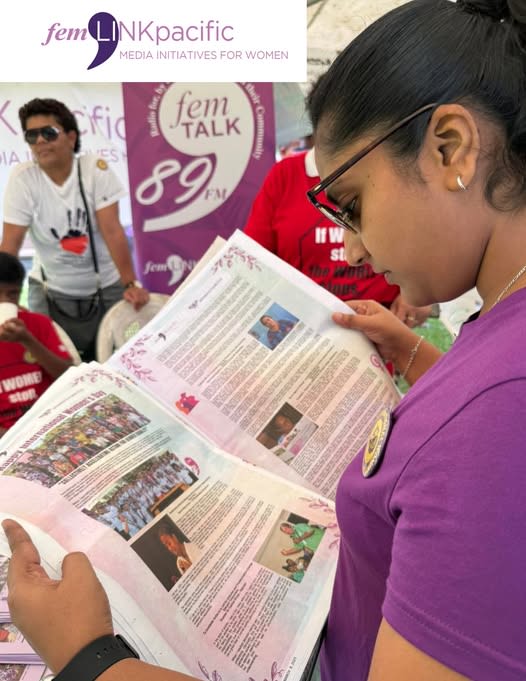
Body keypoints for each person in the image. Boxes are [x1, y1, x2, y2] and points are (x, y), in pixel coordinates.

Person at [4, 0, 526, 679]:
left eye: (354, 206)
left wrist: (91, 657)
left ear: (451, 148)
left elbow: (485, 437)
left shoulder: (501, 416)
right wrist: (424, 361)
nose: (352, 246)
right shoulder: (499, 337)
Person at [0, 98, 149, 362]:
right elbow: (10, 243)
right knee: (53, 368)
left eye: (48, 132)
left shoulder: (94, 170)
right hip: (49, 290)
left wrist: (130, 282)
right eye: (31, 136)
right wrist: (3, 298)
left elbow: (112, 231)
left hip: (107, 285)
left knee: (118, 362)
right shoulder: (23, 178)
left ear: (71, 137)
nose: (40, 142)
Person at [244, 146, 433, 327]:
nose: (353, 256)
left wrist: (420, 286)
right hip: (303, 328)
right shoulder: (285, 175)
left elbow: (420, 230)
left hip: (382, 329)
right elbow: (253, 263)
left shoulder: (393, 166)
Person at [0, 252, 72, 436]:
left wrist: (28, 340)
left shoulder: (38, 324)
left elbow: (69, 376)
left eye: (12, 293)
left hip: (52, 422)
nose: (5, 301)